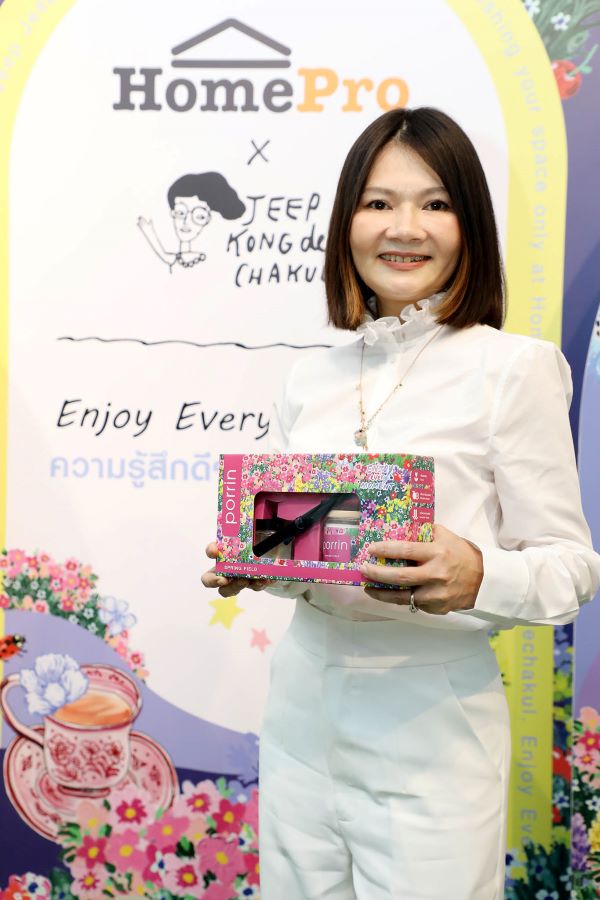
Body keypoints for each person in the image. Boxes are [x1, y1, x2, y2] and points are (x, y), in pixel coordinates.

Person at [202, 107, 600, 899]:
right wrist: (259, 563)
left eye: (435, 203)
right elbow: (314, 551)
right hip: (300, 716)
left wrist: (479, 572)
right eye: (379, 202)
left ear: (469, 225)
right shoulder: (310, 378)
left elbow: (571, 568)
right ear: (347, 223)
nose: (404, 227)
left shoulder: (513, 369)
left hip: (432, 728)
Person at [137, 171, 245, 272]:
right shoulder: (179, 258)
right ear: (172, 213)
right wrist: (148, 231)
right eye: (180, 213)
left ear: (207, 219)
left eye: (199, 216)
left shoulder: (206, 259)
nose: (186, 221)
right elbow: (167, 257)